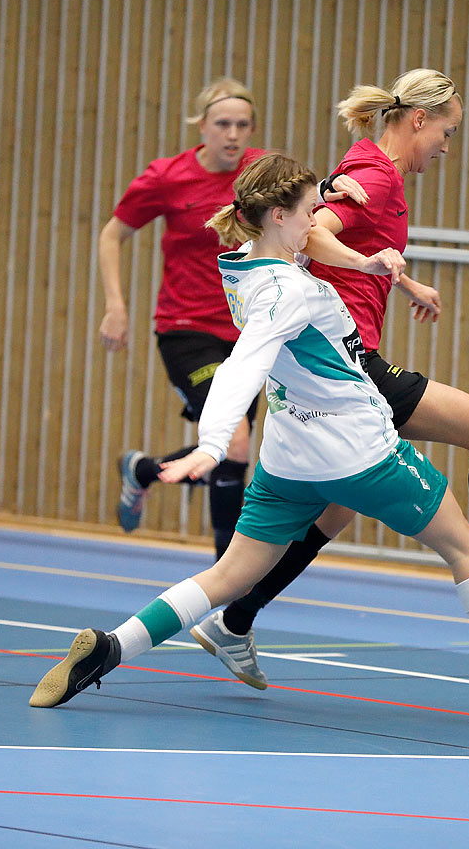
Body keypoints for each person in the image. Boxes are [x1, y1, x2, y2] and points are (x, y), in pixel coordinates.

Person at [28, 153, 469, 718]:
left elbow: (297, 238)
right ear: (279, 217)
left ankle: (110, 648)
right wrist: (210, 445)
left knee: (227, 576)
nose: (318, 220)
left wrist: (333, 197)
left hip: (288, 458)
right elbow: (243, 366)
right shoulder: (287, 293)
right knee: (464, 548)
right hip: (356, 449)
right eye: (309, 211)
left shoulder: (241, 263)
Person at [188, 70, 469, 689]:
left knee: (332, 512)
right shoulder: (374, 175)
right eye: (447, 132)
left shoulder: (367, 164)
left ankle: (234, 621)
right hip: (354, 368)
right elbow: (311, 233)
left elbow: (332, 229)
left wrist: (400, 280)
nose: (447, 147)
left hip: (338, 375)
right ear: (418, 121)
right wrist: (368, 261)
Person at [96, 78, 366, 558]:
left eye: (243, 124)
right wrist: (116, 305)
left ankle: (143, 472)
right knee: (237, 442)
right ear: (202, 126)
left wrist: (333, 185)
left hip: (251, 329)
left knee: (237, 453)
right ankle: (227, 567)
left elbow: (306, 205)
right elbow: (111, 235)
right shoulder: (166, 177)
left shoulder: (258, 175)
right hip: (185, 330)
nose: (233, 134)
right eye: (223, 124)